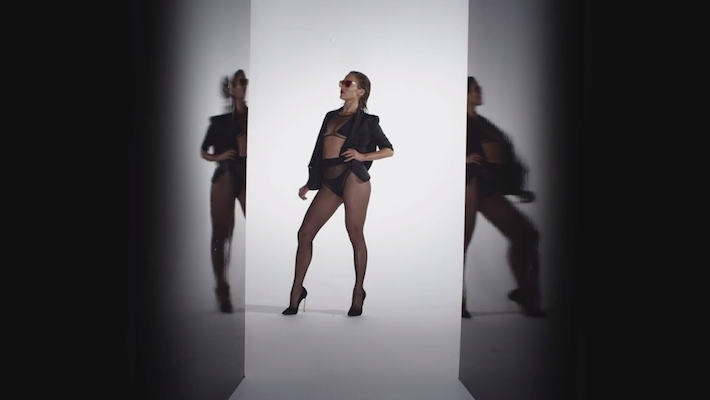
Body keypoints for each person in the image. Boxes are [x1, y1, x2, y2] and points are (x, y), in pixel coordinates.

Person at [282, 71, 394, 317]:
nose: (342, 86)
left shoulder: (368, 121)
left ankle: (358, 291)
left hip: (354, 177)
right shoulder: (330, 116)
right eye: (341, 82)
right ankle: (297, 290)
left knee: (354, 233)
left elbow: (388, 150)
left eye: (347, 83)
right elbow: (318, 151)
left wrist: (363, 156)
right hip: (329, 181)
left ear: (360, 91)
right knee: (304, 234)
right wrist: (310, 182)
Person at [462, 76, 546, 318]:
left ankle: (526, 293)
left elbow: (505, 156)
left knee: (526, 234)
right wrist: (462, 159)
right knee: (461, 242)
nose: (480, 91)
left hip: (488, 187)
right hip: (469, 183)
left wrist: (518, 188)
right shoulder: (457, 121)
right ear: (463, 93)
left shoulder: (484, 123)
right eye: (475, 88)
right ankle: (457, 300)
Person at [200, 69, 249, 313]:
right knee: (221, 233)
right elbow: (204, 151)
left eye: (245, 81)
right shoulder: (219, 122)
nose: (244, 85)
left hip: (248, 175)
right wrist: (219, 156)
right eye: (240, 82)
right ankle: (222, 288)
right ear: (231, 88)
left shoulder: (254, 117)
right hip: (226, 175)